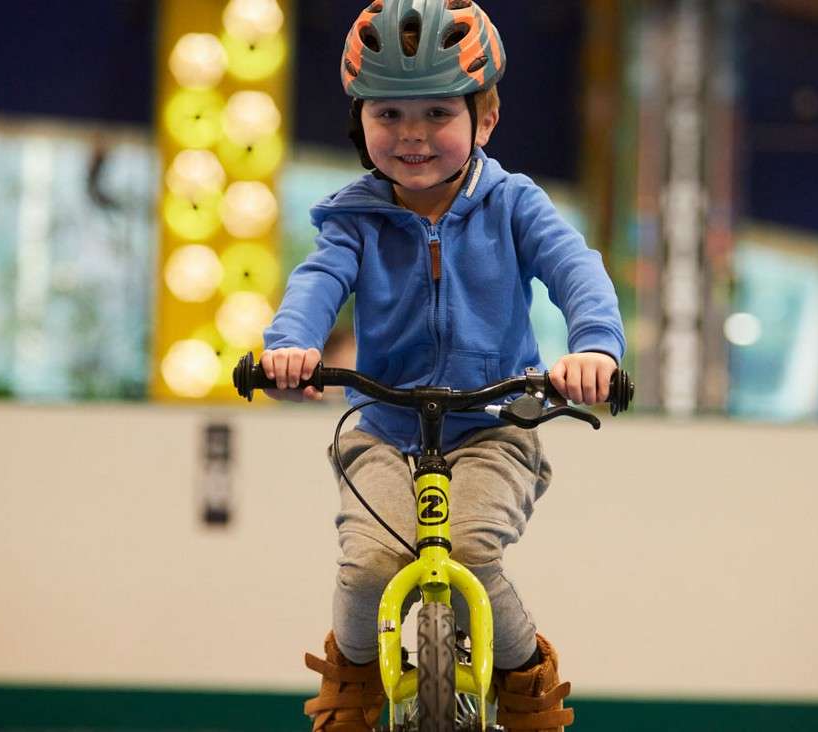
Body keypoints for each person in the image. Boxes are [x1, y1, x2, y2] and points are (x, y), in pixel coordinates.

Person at [260, 1, 625, 729]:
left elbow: (574, 268)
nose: (413, 135)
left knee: (470, 555)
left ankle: (524, 685)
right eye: (388, 115)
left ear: (484, 120)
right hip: (385, 426)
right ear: (359, 123)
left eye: (435, 112)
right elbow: (316, 284)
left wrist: (594, 348)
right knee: (367, 567)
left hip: (496, 423)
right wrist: (289, 348)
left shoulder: (515, 204)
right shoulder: (353, 218)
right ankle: (356, 680)